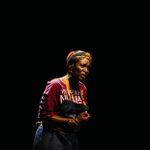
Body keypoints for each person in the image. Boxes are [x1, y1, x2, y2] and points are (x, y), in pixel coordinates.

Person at [32, 50, 92, 150]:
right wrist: (71, 120)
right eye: (83, 66)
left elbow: (79, 112)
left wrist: (83, 117)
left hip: (70, 138)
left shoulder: (83, 88)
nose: (86, 70)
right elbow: (44, 115)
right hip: (51, 135)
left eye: (88, 67)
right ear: (70, 66)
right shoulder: (56, 85)